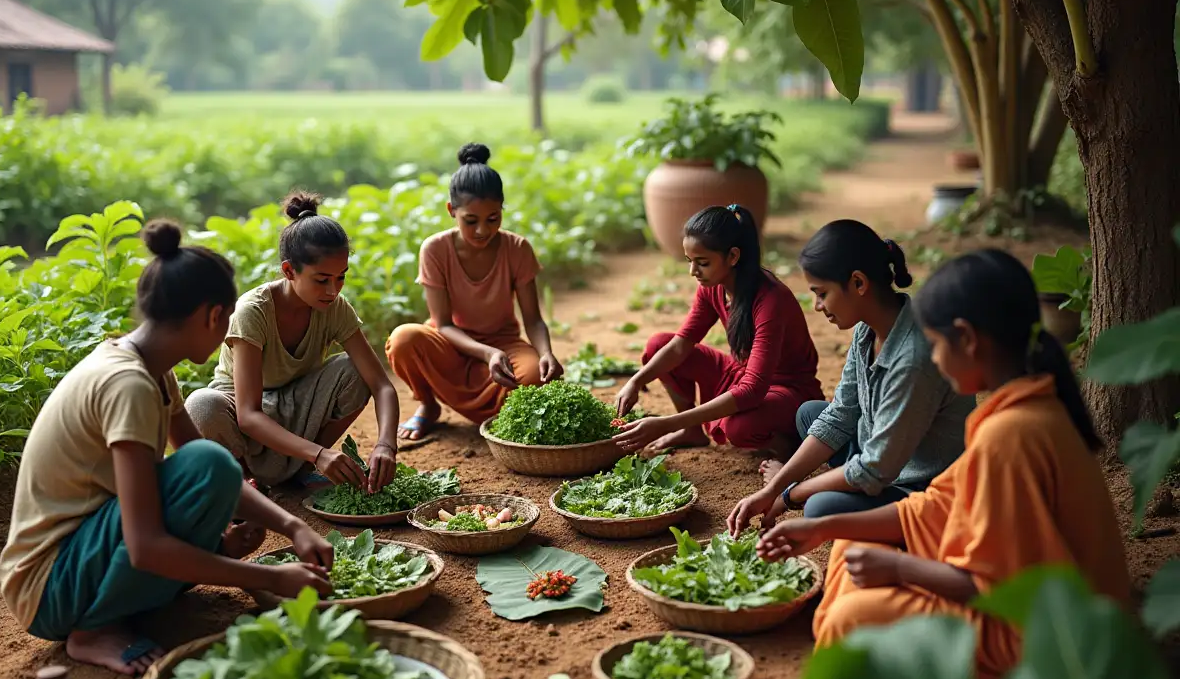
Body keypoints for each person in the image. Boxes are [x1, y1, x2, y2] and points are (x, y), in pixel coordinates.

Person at [757, 249, 1131, 679]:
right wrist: (825, 528)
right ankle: (859, 669)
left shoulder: (1012, 434)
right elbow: (934, 507)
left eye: (935, 345)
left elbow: (995, 587)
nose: (931, 358)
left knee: (849, 617)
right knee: (847, 546)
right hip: (1021, 599)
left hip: (1047, 637)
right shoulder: (1017, 408)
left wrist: (896, 567)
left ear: (968, 340)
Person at [0, 221, 336, 677]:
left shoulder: (154, 371)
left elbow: (201, 474)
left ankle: (130, 600)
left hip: (88, 554)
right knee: (209, 466)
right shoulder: (128, 386)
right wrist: (272, 577)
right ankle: (92, 631)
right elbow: (144, 546)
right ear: (214, 316)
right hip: (48, 587)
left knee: (209, 469)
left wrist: (290, 526)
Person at [728, 219, 973, 532]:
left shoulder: (914, 358)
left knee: (819, 507)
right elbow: (839, 415)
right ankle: (842, 481)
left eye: (822, 293)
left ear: (858, 283)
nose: (817, 306)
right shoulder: (867, 329)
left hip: (920, 485)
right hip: (882, 451)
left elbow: (874, 469)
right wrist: (770, 490)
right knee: (810, 414)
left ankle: (843, 487)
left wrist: (788, 495)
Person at [185, 192, 401, 492]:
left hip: (298, 406)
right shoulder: (253, 312)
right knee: (201, 405)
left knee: (356, 371)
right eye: (322, 279)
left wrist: (386, 445)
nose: (333, 289)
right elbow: (248, 416)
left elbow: (381, 385)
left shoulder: (334, 307)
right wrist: (320, 453)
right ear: (289, 271)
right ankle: (246, 479)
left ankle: (301, 469)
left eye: (341, 277)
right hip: (244, 416)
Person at [385, 143, 564, 440]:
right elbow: (441, 324)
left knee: (534, 377)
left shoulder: (517, 249)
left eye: (493, 219)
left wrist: (546, 353)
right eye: (471, 221)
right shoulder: (435, 249)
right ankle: (429, 406)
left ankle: (500, 416)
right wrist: (486, 353)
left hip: (504, 347)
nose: (483, 230)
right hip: (451, 344)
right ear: (451, 211)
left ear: (502, 211)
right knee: (404, 339)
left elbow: (533, 319)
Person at [613, 204, 824, 455]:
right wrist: (636, 381)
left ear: (733, 256)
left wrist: (666, 424)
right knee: (658, 344)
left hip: (787, 390)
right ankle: (692, 433)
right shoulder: (713, 286)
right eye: (690, 261)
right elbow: (681, 344)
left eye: (702, 262)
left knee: (739, 428)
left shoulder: (770, 301)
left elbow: (751, 391)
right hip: (741, 374)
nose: (693, 272)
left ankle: (788, 445)